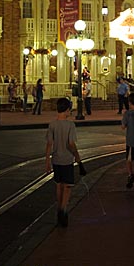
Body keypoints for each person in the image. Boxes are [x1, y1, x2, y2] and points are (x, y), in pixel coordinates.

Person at [45, 97, 84, 228]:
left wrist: (47, 161)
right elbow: (71, 144)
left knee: (58, 184)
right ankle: (63, 209)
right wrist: (78, 159)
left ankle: (59, 208)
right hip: (67, 159)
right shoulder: (70, 125)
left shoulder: (52, 125)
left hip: (56, 159)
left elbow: (49, 144)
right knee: (67, 186)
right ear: (67, 110)